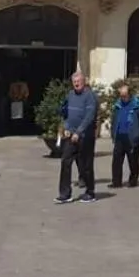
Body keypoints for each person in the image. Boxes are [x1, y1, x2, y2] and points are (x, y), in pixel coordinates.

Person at [56, 71, 98, 204]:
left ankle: (90, 192)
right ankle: (65, 194)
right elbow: (67, 113)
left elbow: (89, 116)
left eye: (78, 81)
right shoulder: (70, 95)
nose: (76, 84)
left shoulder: (90, 96)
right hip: (71, 135)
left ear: (84, 82)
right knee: (65, 161)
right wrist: (67, 128)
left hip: (85, 136)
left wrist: (78, 132)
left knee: (85, 165)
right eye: (74, 82)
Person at [109, 81, 139, 188]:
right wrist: (113, 132)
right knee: (116, 161)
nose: (123, 98)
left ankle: (133, 181)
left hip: (132, 136)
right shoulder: (117, 104)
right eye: (121, 96)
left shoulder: (137, 104)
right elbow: (114, 119)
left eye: (124, 96)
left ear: (129, 94)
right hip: (119, 136)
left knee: (133, 161)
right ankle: (116, 182)